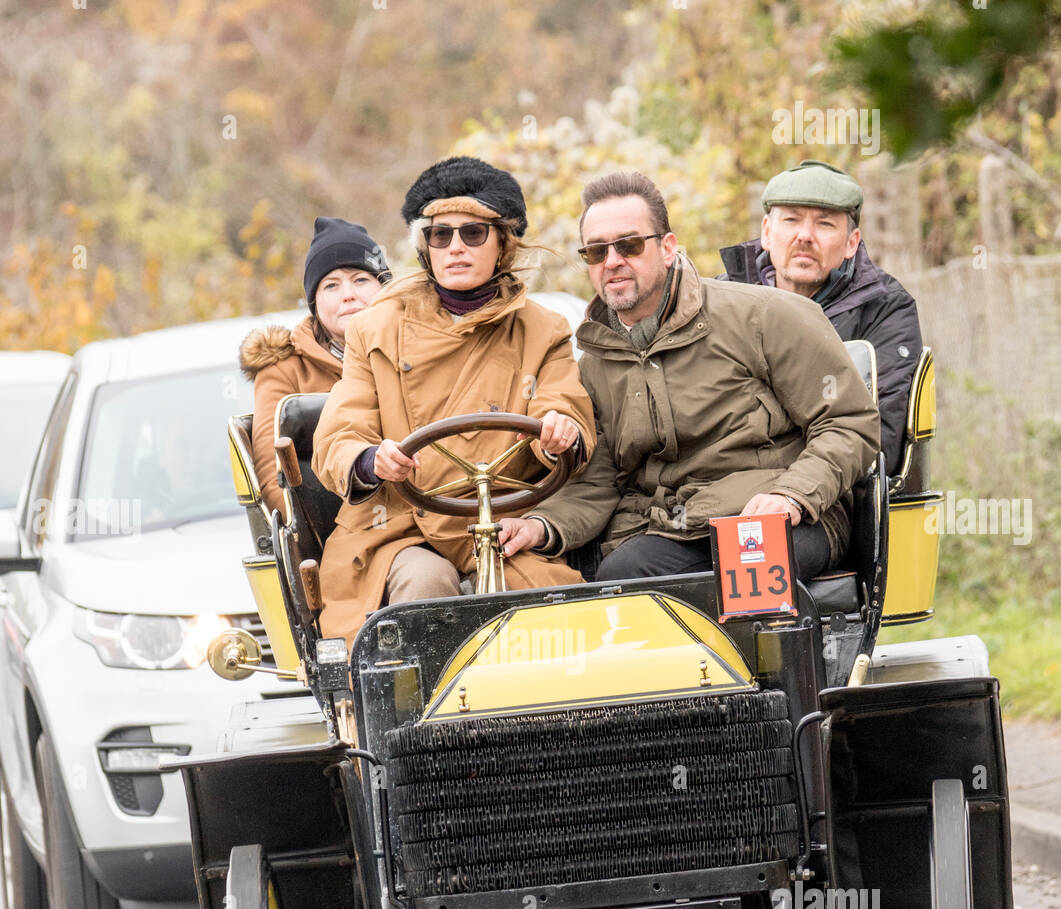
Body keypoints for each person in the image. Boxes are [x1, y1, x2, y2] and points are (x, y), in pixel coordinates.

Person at [502, 170, 880, 583]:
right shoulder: (596, 362)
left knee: (728, 570)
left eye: (629, 245)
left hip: (785, 516)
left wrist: (790, 495)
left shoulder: (766, 317)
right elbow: (599, 481)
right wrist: (540, 525)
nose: (612, 261)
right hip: (672, 527)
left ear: (667, 248)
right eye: (596, 251)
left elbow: (848, 423)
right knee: (606, 577)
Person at [311, 156, 595, 643]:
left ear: (502, 242)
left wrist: (556, 433)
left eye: (473, 234)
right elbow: (340, 432)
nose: (455, 247)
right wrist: (370, 460)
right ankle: (422, 719)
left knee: (560, 612)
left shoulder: (543, 329)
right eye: (440, 235)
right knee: (427, 588)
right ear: (425, 247)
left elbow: (562, 407)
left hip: (497, 520)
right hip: (397, 526)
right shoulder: (374, 328)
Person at [719, 159, 923, 476]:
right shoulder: (725, 298)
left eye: (825, 224)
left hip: (830, 493)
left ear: (851, 243)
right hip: (720, 482)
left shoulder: (884, 309)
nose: (805, 236)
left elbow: (879, 437)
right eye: (791, 220)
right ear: (767, 232)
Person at [239, 217, 391, 514]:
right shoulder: (283, 371)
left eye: (361, 280)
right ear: (315, 303)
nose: (348, 294)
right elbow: (275, 480)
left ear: (384, 289)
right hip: (341, 531)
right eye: (331, 285)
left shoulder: (414, 351)